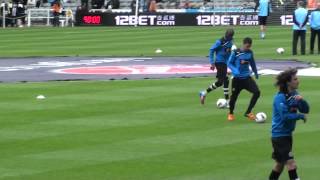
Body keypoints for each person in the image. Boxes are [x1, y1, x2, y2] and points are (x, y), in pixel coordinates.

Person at [268, 68, 309, 180]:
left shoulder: (295, 94)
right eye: (295, 79)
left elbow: (306, 109)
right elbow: (285, 117)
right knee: (291, 163)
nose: (298, 81)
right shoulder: (279, 98)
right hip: (279, 135)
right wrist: (299, 116)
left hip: (286, 135)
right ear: (288, 82)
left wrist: (301, 101)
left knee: (280, 165)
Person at [227, 37, 260, 121]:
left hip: (246, 78)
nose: (248, 48)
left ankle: (248, 112)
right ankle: (231, 113)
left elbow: (252, 63)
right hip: (237, 79)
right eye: (247, 46)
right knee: (234, 97)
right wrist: (235, 70)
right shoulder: (236, 52)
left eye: (249, 46)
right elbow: (229, 63)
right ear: (243, 44)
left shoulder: (250, 52)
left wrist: (255, 72)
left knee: (257, 92)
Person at [199, 29, 235, 106]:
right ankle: (227, 101)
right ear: (227, 35)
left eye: (231, 37)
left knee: (222, 81)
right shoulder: (220, 42)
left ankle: (204, 93)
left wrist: (230, 65)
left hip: (224, 64)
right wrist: (212, 63)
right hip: (219, 62)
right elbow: (211, 50)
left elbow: (228, 54)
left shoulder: (231, 42)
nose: (230, 38)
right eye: (229, 36)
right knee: (223, 80)